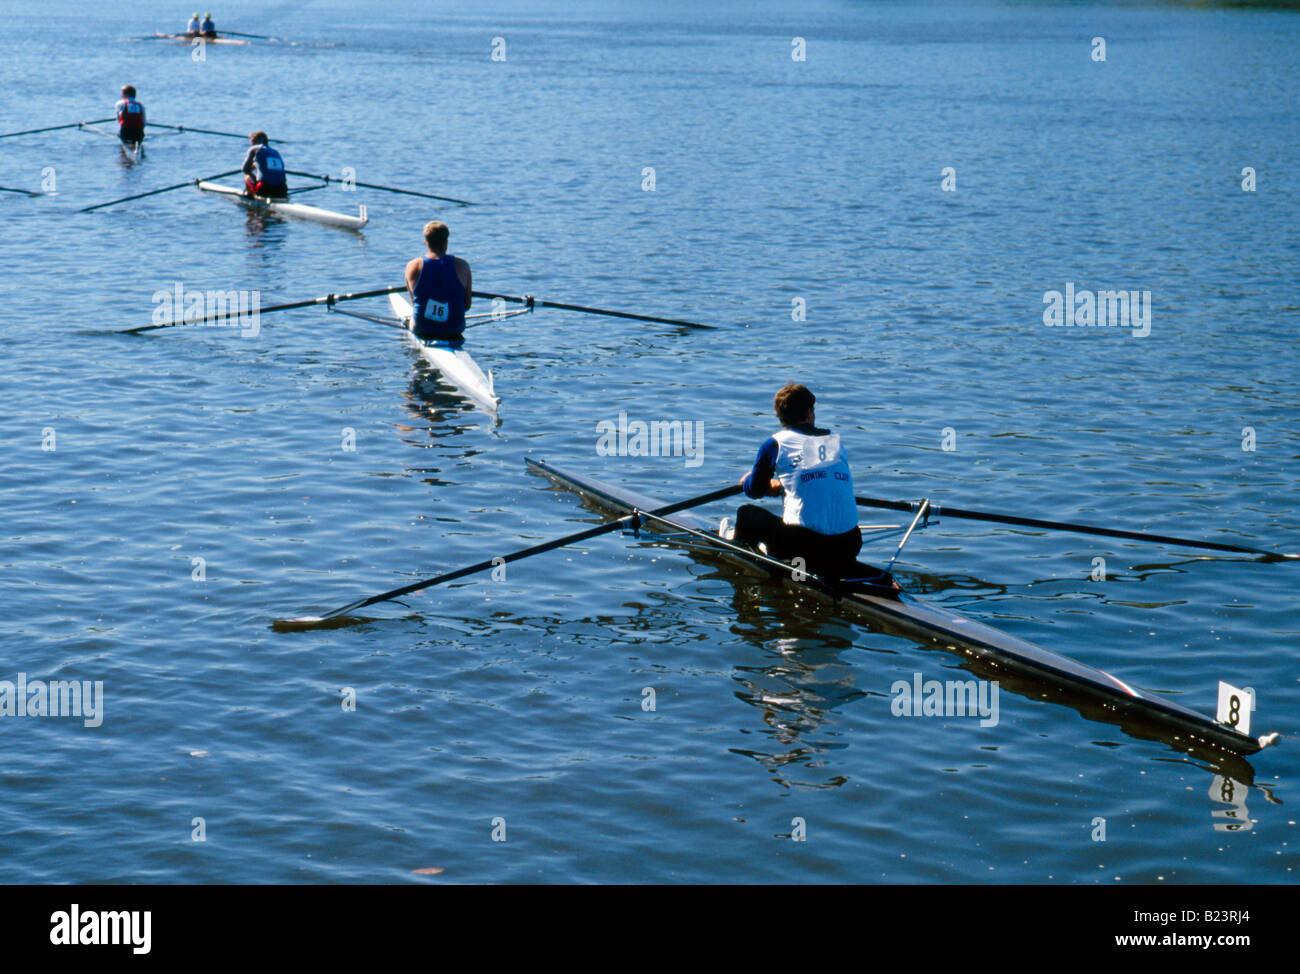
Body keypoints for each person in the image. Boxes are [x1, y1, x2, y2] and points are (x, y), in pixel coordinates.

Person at [726, 383, 883, 585]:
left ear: (780, 416)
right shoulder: (832, 442)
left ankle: (740, 551)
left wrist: (747, 481)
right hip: (849, 544)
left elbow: (755, 491)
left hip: (802, 547)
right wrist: (783, 487)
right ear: (809, 413)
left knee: (746, 514)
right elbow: (814, 480)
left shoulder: (775, 443)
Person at [404, 221, 472, 343]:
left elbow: (415, 303)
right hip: (454, 328)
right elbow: (466, 306)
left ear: (426, 242)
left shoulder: (412, 266)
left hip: (423, 328)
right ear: (446, 243)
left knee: (410, 318)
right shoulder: (462, 266)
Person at [241, 132, 287, 199]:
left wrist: (252, 167)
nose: (252, 144)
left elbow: (244, 169)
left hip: (264, 189)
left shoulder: (254, 149)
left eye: (253, 141)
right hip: (282, 189)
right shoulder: (275, 152)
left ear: (261, 140)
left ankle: (249, 196)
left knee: (247, 175)